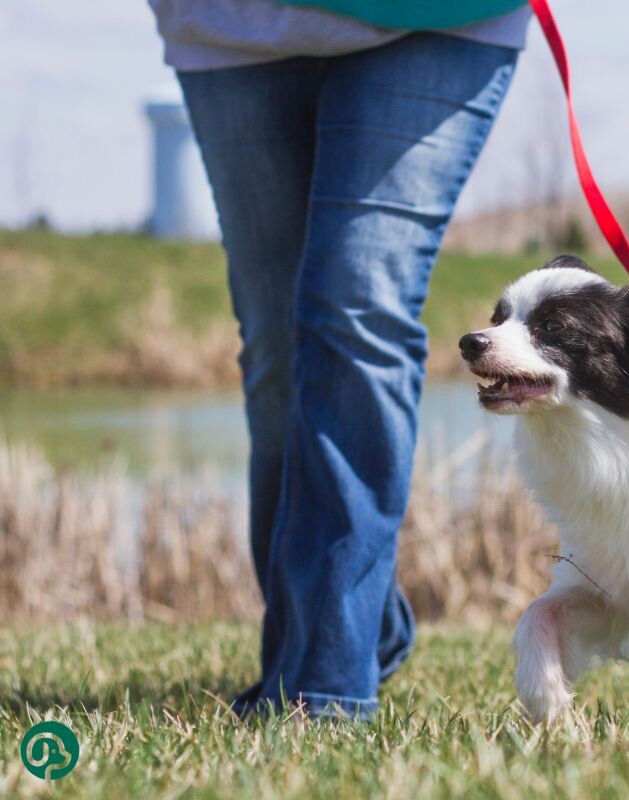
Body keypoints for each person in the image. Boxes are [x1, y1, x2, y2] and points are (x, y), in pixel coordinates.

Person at [147, 0, 532, 719]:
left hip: (437, 18)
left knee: (356, 308)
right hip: (234, 25)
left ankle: (324, 683)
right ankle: (362, 623)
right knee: (279, 351)